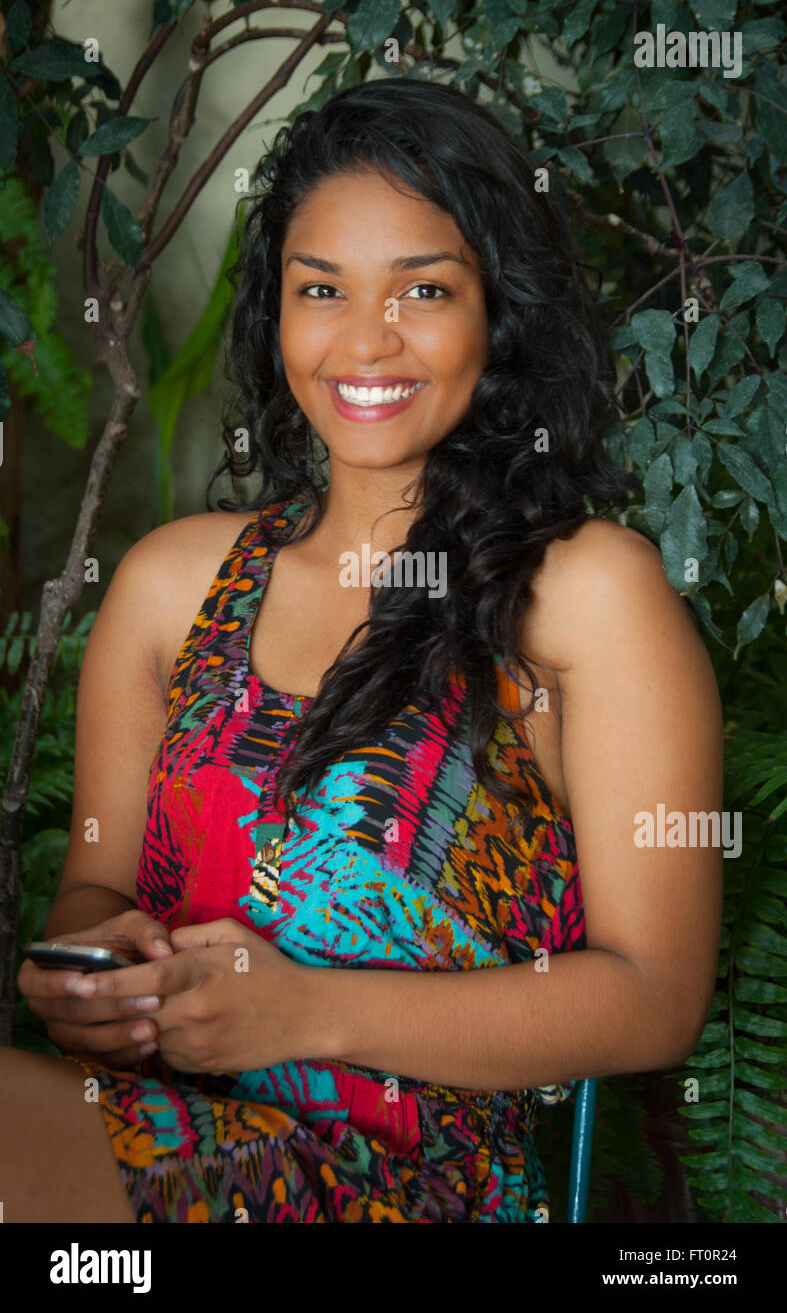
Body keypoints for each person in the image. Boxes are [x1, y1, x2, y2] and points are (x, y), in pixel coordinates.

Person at [4, 77, 723, 1223]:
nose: (364, 339)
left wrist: (307, 1010)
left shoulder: (587, 595)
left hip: (409, 1183)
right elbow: (96, 884)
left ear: (501, 311)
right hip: (143, 1133)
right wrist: (91, 973)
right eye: (321, 289)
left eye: (424, 290)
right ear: (276, 312)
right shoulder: (169, 585)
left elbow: (653, 995)